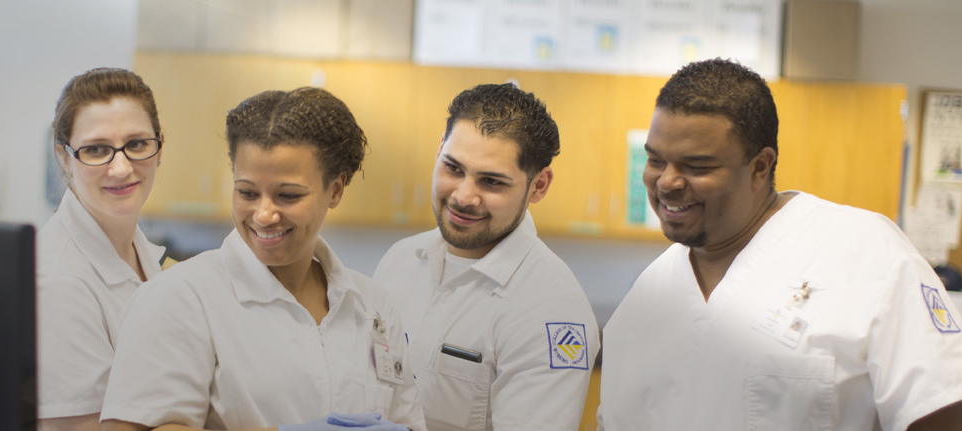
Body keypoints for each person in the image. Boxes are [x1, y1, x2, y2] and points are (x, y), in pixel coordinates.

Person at [597, 58, 962, 430]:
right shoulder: (646, 299)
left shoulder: (867, 254)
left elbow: (939, 407)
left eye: (697, 167)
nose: (667, 182)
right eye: (655, 161)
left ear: (760, 166)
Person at [99, 87, 424, 431]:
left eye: (288, 195)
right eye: (247, 193)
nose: (264, 215)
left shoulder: (373, 306)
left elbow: (406, 422)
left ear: (336, 190)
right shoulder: (179, 298)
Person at [373, 83, 599, 430]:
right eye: (453, 168)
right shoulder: (400, 260)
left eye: (491, 182)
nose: (464, 197)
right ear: (439, 152)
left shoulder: (553, 309)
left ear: (538, 186)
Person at [37, 68, 169, 431]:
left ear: (160, 146)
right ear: (64, 157)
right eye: (96, 150)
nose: (121, 167)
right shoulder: (56, 281)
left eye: (137, 144)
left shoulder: (146, 258)